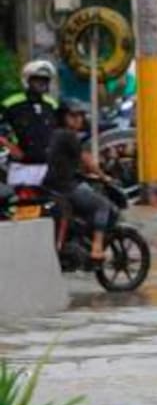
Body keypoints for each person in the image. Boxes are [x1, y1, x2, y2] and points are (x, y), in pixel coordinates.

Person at [43, 99, 117, 263]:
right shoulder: (68, 135)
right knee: (102, 204)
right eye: (73, 115)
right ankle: (97, 248)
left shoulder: (56, 134)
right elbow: (86, 160)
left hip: (53, 186)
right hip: (65, 188)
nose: (78, 119)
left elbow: (68, 163)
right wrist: (104, 177)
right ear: (63, 117)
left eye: (81, 115)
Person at [0, 60, 59, 187]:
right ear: (27, 80)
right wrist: (11, 147)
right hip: (21, 168)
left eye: (45, 80)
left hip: (47, 167)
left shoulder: (52, 105)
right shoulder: (12, 104)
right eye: (37, 79)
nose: (41, 83)